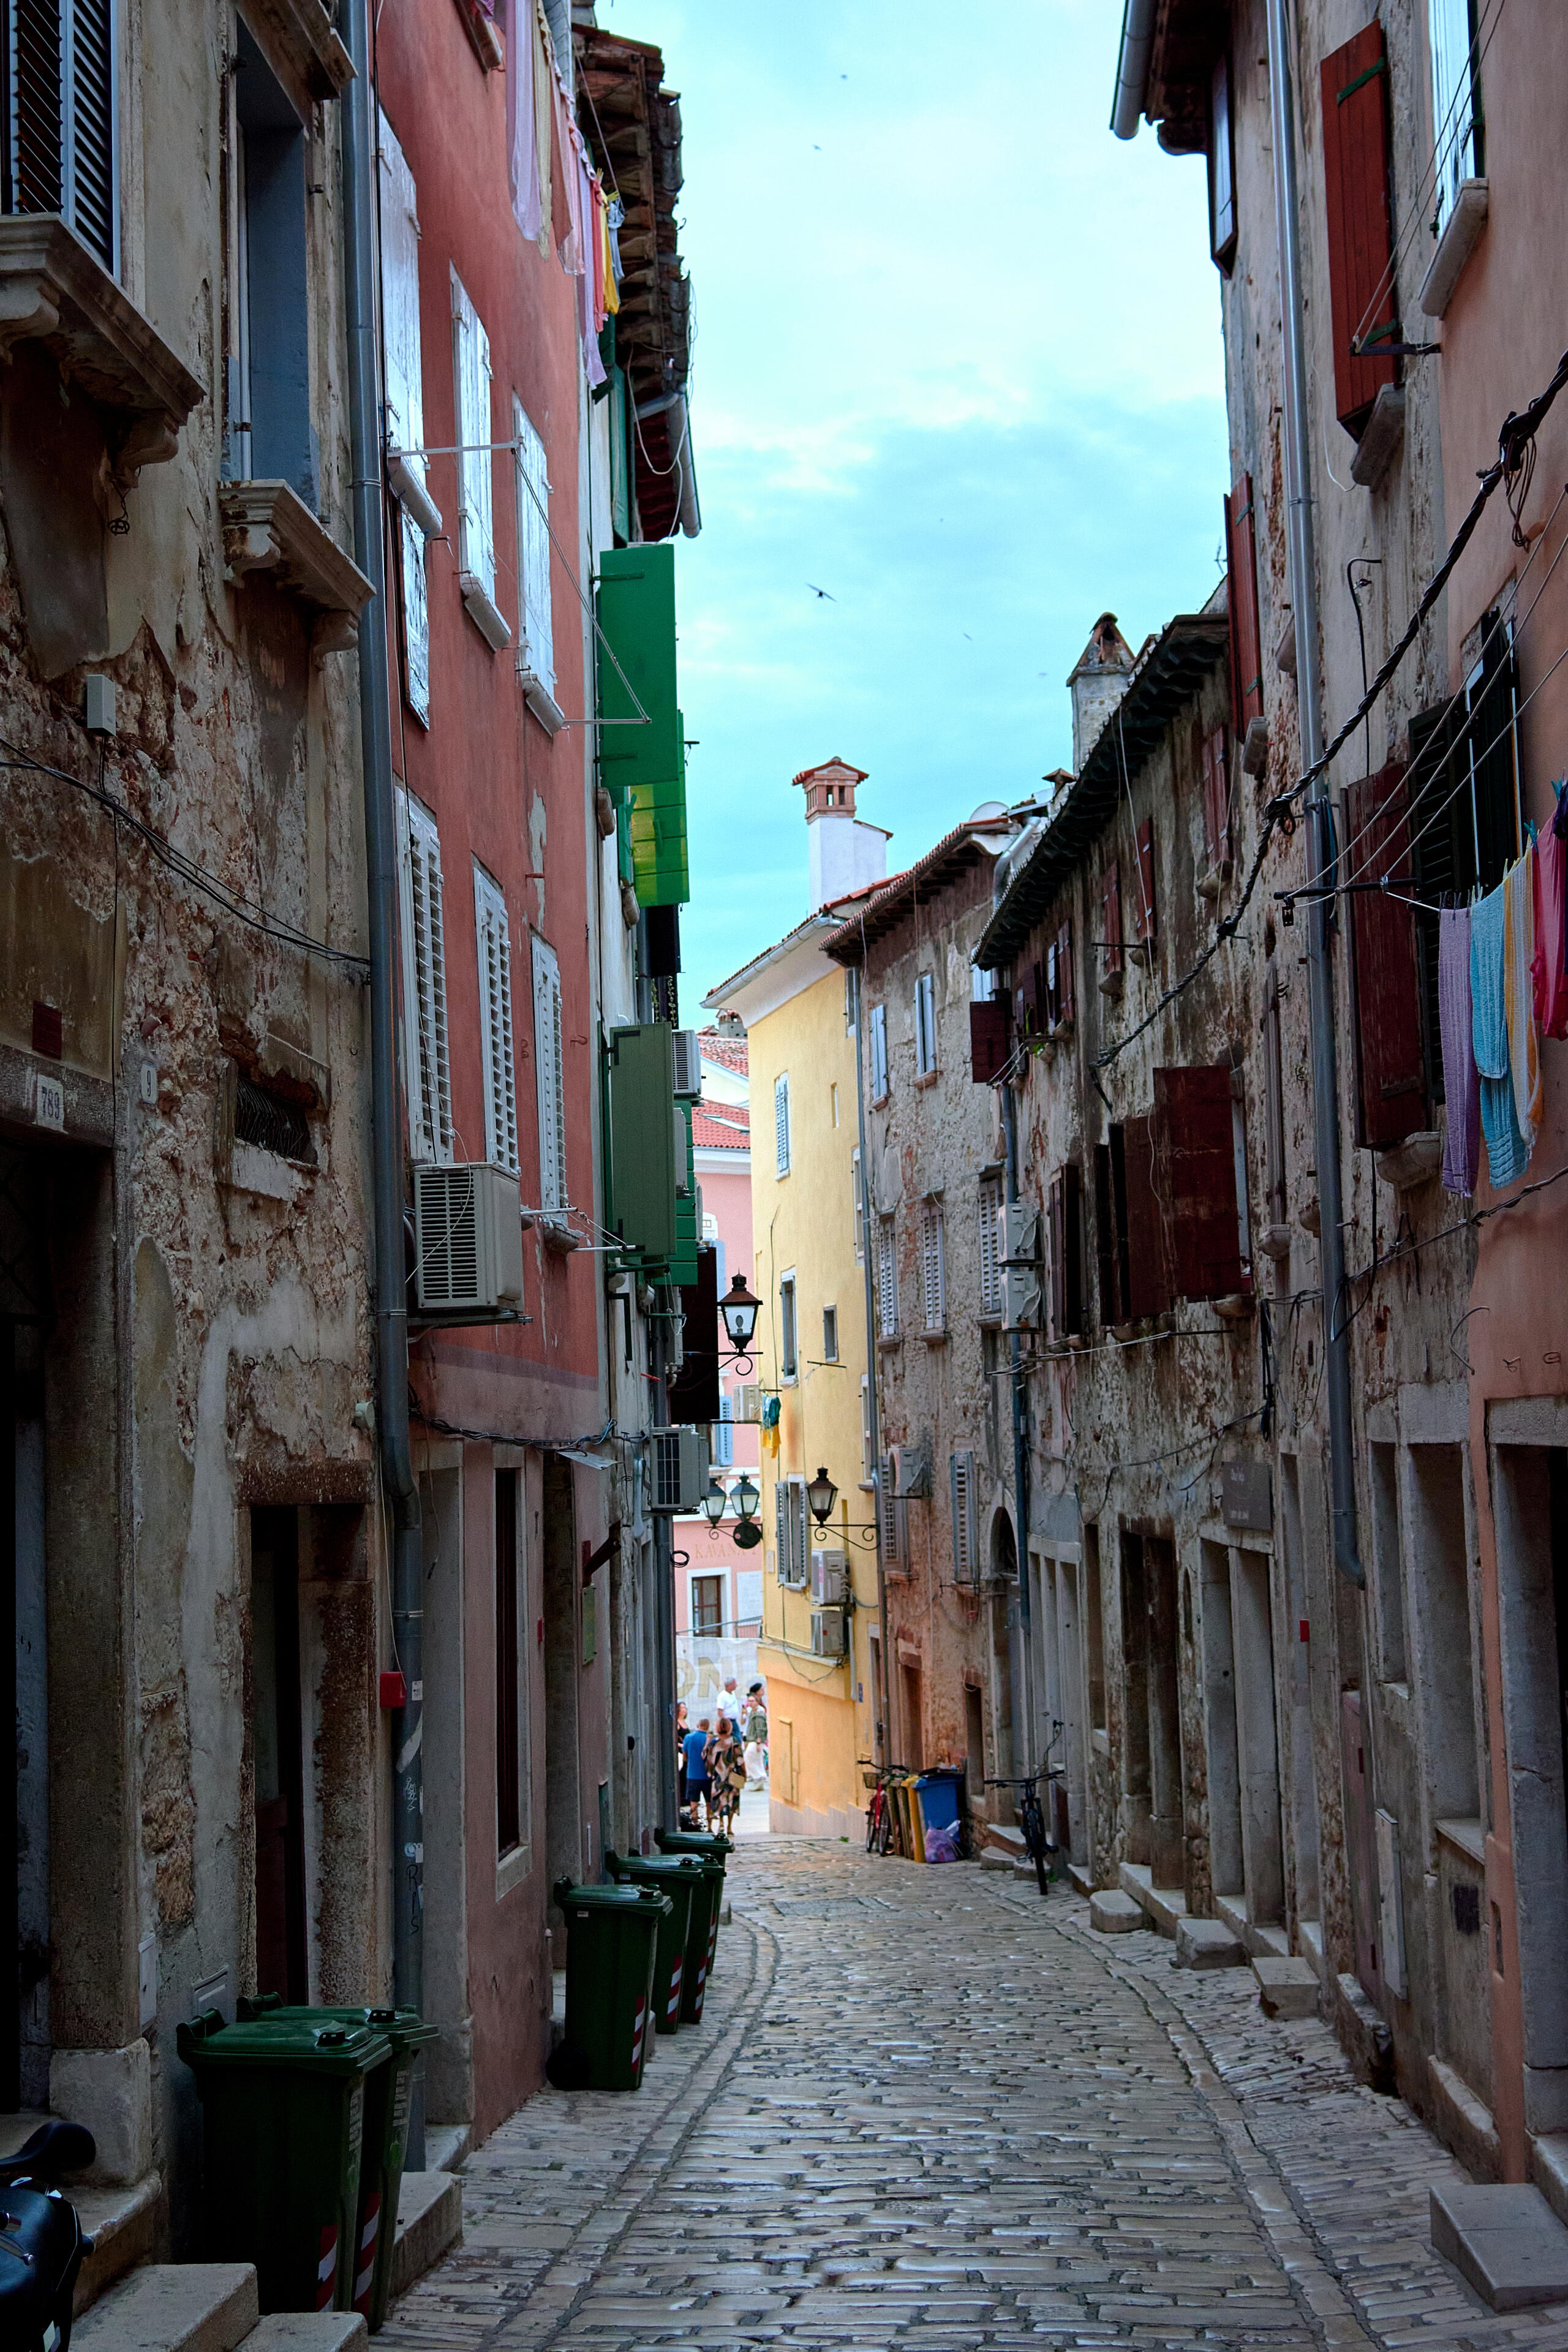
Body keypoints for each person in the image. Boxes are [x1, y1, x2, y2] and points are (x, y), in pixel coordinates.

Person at [706, 1715, 745, 1831]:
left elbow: (708, 1759)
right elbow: (740, 1760)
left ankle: (721, 1823)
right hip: (733, 1774)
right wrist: (744, 1774)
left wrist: (710, 1773)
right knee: (732, 1800)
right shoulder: (735, 1741)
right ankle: (729, 1827)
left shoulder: (713, 1742)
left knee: (719, 1799)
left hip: (718, 1775)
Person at [682, 1716, 712, 1827]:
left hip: (693, 1774)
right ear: (707, 1727)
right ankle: (709, 1825)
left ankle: (695, 1823)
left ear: (698, 1725)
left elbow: (685, 1757)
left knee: (694, 1800)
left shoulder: (689, 1737)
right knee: (709, 1801)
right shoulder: (710, 1740)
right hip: (707, 1775)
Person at [742, 1681, 768, 1785]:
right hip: (750, 1737)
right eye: (749, 1701)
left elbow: (760, 1728)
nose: (750, 1703)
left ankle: (758, 1776)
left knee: (748, 1757)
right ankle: (760, 1776)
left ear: (757, 1702)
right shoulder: (752, 1712)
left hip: (755, 1739)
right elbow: (746, 1723)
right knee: (756, 1758)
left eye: (752, 1701)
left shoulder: (759, 1712)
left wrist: (759, 1742)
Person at [675, 1701, 689, 1819]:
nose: (684, 1710)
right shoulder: (677, 1723)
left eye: (685, 1708)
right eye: (682, 1708)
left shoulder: (685, 1722)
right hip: (681, 1751)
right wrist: (681, 1746)